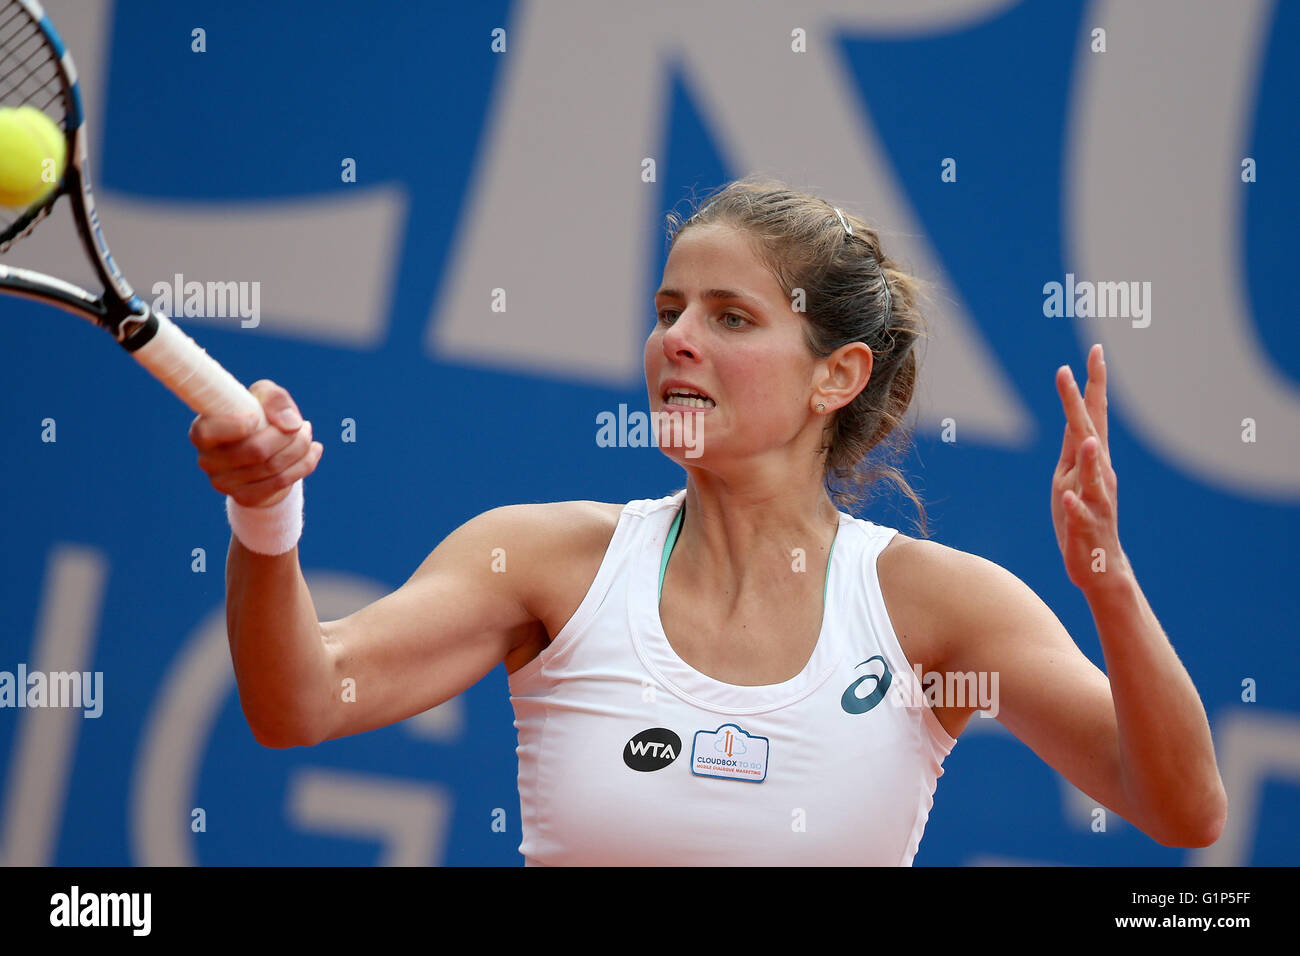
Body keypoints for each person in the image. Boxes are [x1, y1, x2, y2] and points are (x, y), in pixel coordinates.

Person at [191, 178, 1227, 865]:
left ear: (837, 373)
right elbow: (302, 702)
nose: (676, 340)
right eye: (667, 309)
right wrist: (264, 509)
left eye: (730, 317)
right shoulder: (545, 563)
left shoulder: (934, 608)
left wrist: (1108, 583)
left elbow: (1180, 808)